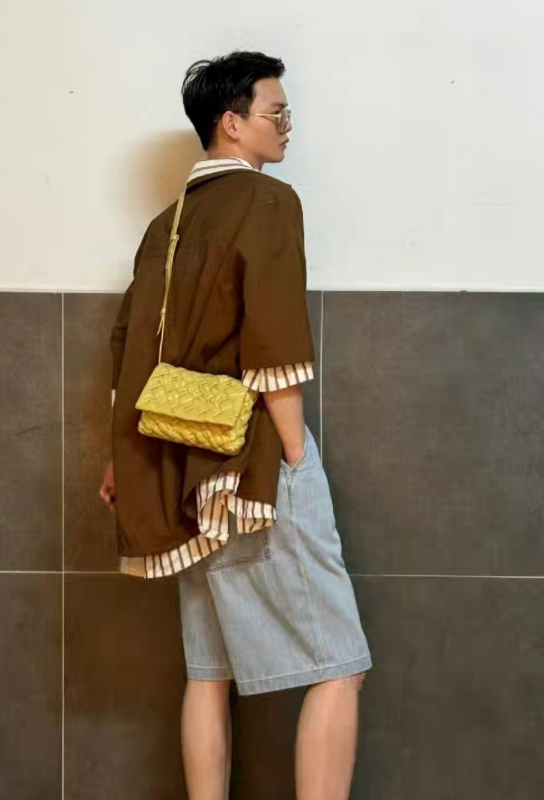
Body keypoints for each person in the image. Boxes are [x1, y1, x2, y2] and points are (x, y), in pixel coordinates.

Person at [99, 50, 372, 800]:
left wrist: (122, 461)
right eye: (275, 114)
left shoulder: (165, 224)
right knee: (341, 665)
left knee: (207, 671)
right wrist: (294, 458)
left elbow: (129, 349)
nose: (287, 128)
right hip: (248, 463)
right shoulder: (267, 202)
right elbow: (274, 339)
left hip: (176, 471)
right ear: (232, 122)